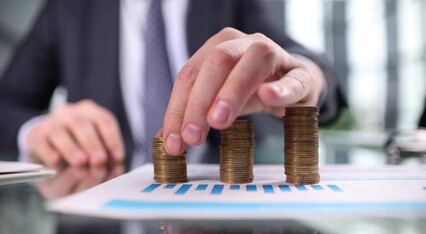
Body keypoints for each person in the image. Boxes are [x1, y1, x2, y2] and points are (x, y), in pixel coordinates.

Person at [0, 0, 346, 168]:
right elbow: (6, 103)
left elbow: (292, 56)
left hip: (226, 202)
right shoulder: (68, 8)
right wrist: (36, 129)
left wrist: (308, 76)